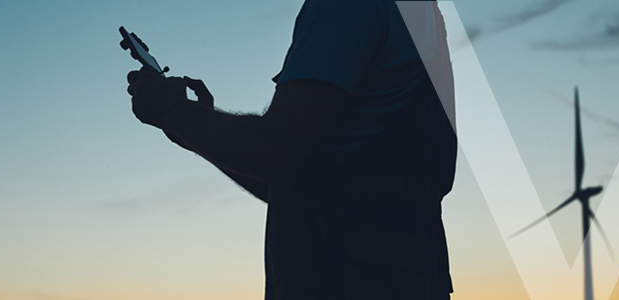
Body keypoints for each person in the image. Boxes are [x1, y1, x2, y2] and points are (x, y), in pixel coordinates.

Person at [125, 0, 456, 299]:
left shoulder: (346, 7)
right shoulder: (423, 15)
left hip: (345, 276)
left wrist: (175, 111)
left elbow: (275, 152)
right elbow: (293, 183)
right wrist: (192, 129)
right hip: (408, 273)